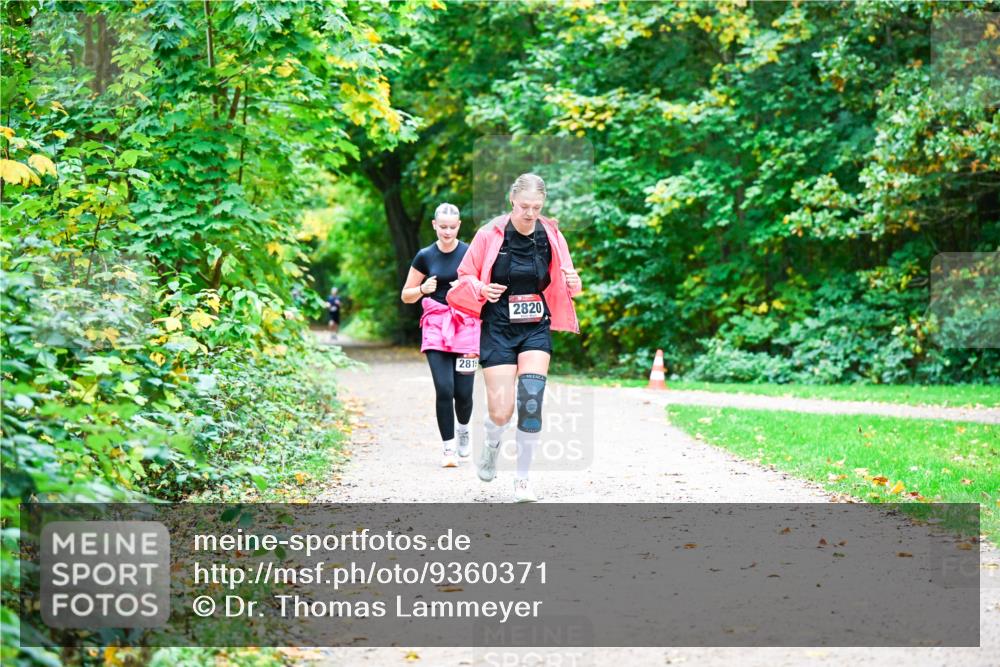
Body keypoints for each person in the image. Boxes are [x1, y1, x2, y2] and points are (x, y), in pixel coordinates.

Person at [447, 174, 582, 502]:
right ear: (512, 201)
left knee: (531, 403)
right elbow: (465, 275)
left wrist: (575, 282)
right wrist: (482, 288)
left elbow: (570, 282)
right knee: (501, 412)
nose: (530, 213)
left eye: (536, 207)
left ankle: (523, 480)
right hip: (498, 328)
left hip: (535, 326)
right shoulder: (489, 233)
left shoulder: (551, 235)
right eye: (524, 206)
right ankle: (492, 443)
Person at [401, 203, 481, 468]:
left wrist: (466, 285)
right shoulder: (424, 256)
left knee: (464, 393)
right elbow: (406, 295)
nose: (447, 232)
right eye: (443, 227)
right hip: (436, 327)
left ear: (459, 226)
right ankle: (448, 448)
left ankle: (464, 430)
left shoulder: (470, 253)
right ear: (434, 225)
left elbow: (483, 289)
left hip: (466, 326)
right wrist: (423, 289)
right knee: (444, 389)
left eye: (452, 227)